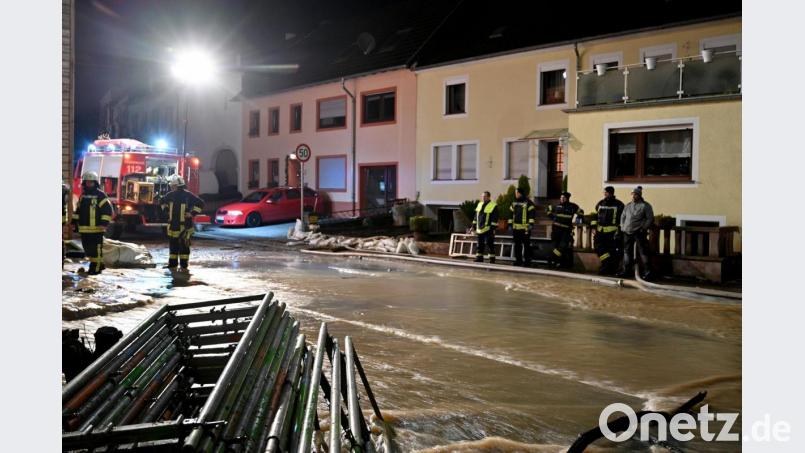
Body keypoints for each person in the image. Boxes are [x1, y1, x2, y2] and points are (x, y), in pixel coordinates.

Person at [72, 171, 114, 275]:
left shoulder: (100, 195)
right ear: (84, 183)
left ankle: (97, 268)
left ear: (95, 183)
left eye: (91, 182)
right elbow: (78, 210)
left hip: (97, 229)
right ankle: (95, 265)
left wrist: (103, 223)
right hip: (84, 228)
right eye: (87, 182)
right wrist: (74, 222)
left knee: (96, 249)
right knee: (88, 249)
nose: (89, 184)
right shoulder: (83, 196)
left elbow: (108, 210)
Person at [161, 174, 205, 271]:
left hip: (183, 226)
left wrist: (191, 213)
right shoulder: (174, 195)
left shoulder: (182, 195)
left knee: (179, 246)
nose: (171, 187)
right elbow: (162, 201)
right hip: (176, 225)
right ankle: (176, 265)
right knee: (177, 246)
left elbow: (201, 203)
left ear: (176, 185)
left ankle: (181, 266)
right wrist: (167, 211)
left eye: (172, 186)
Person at [617, 186, 655, 279]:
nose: (633, 196)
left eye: (635, 194)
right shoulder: (628, 205)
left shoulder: (645, 206)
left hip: (639, 232)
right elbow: (623, 216)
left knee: (643, 251)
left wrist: (644, 227)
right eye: (632, 194)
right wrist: (622, 226)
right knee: (627, 251)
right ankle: (626, 271)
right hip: (627, 232)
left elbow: (650, 218)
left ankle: (648, 272)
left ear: (639, 195)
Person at [591, 186, 625, 275]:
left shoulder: (619, 204)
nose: (604, 194)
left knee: (611, 251)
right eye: (604, 192)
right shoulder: (600, 203)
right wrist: (594, 227)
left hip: (612, 233)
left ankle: (608, 268)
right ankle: (606, 264)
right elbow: (595, 215)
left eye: (606, 192)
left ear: (611, 193)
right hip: (600, 232)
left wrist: (619, 231)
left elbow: (622, 219)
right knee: (598, 248)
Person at [547, 192, 582, 268]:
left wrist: (578, 218)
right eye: (561, 198)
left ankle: (551, 259)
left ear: (567, 198)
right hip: (556, 229)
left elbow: (581, 212)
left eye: (564, 198)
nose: (562, 199)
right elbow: (548, 209)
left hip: (566, 230)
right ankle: (557, 262)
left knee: (562, 247)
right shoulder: (556, 205)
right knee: (555, 246)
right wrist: (552, 217)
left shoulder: (573, 206)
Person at [471, 191, 499, 264]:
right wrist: (473, 226)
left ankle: (492, 259)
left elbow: (495, 218)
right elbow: (476, 216)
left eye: (485, 196)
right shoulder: (479, 204)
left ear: (489, 197)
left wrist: (492, 228)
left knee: (490, 244)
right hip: (479, 228)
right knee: (479, 244)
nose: (483, 198)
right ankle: (479, 258)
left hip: (488, 229)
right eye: (482, 196)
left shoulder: (493, 205)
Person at [510, 187, 535, 266]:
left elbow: (532, 214)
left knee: (526, 245)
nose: (515, 194)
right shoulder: (514, 202)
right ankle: (518, 260)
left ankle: (527, 261)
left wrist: (531, 224)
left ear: (520, 193)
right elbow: (510, 214)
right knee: (517, 245)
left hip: (525, 228)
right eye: (515, 193)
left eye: (516, 193)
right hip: (516, 228)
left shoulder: (528, 202)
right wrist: (510, 224)